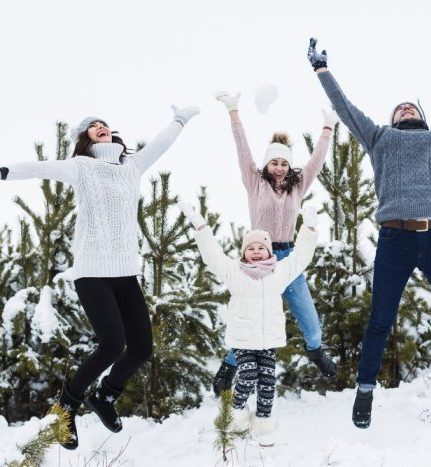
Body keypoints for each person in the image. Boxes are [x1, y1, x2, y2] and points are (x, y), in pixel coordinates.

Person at [0, 105, 200, 449]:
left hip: (125, 273)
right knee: (111, 344)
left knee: (141, 347)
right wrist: (4, 171)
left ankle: (105, 396)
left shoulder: (131, 166)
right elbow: (39, 167)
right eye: (93, 126)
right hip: (92, 272)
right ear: (85, 138)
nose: (101, 127)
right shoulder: (81, 167)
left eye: (104, 123)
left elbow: (160, 145)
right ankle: (66, 406)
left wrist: (180, 118)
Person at [308, 37, 431, 429]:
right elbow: (345, 108)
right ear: (392, 119)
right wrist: (322, 70)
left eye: (412, 106)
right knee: (380, 319)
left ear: (421, 115)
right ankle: (365, 390)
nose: (406, 107)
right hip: (395, 241)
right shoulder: (379, 139)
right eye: (400, 107)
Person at [212, 91, 338, 396]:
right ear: (267, 165)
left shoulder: (298, 188)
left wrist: (328, 128)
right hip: (257, 262)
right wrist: (233, 111)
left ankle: (316, 351)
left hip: (289, 258)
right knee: (251, 320)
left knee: (310, 320)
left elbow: (316, 162)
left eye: (284, 163)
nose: (280, 167)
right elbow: (242, 151)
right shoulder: (255, 184)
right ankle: (229, 366)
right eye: (274, 162)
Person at [179, 202, 318, 447]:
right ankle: (236, 413)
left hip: (269, 340)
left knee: (267, 382)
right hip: (243, 338)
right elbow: (212, 256)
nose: (256, 252)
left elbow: (301, 258)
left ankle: (264, 425)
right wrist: (200, 226)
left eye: (261, 248)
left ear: (269, 252)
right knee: (248, 375)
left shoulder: (280, 272)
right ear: (244, 252)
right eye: (250, 248)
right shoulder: (235, 271)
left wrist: (308, 227)